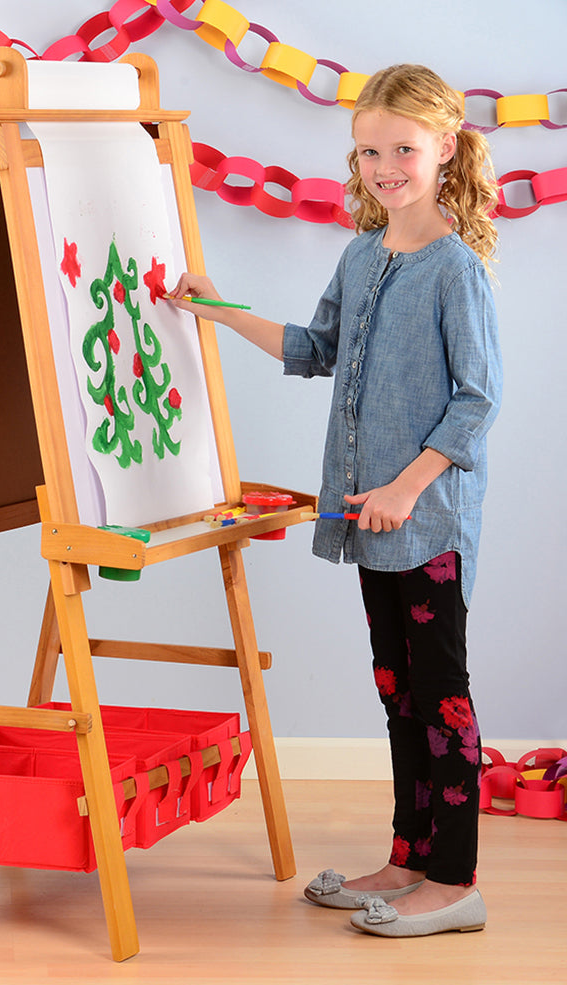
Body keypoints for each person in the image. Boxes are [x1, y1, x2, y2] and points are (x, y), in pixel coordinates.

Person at [170, 65, 501, 937]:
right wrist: (219, 310)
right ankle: (408, 858)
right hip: (365, 517)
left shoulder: (454, 269)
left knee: (442, 696)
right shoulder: (360, 255)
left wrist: (404, 487)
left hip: (423, 519)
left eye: (403, 149)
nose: (385, 166)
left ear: (446, 150)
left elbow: (477, 400)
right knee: (396, 691)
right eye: (369, 151)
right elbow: (316, 347)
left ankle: (455, 881)